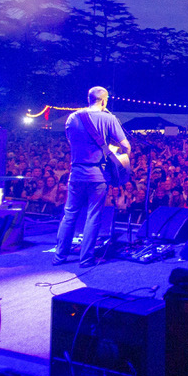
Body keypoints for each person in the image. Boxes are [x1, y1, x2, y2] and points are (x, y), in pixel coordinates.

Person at [53, 86, 130, 268]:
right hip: (98, 175)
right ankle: (86, 259)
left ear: (88, 99)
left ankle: (59, 256)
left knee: (69, 215)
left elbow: (72, 142)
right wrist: (116, 154)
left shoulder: (72, 117)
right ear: (104, 100)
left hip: (76, 173)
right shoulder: (109, 118)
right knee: (93, 216)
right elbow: (126, 146)